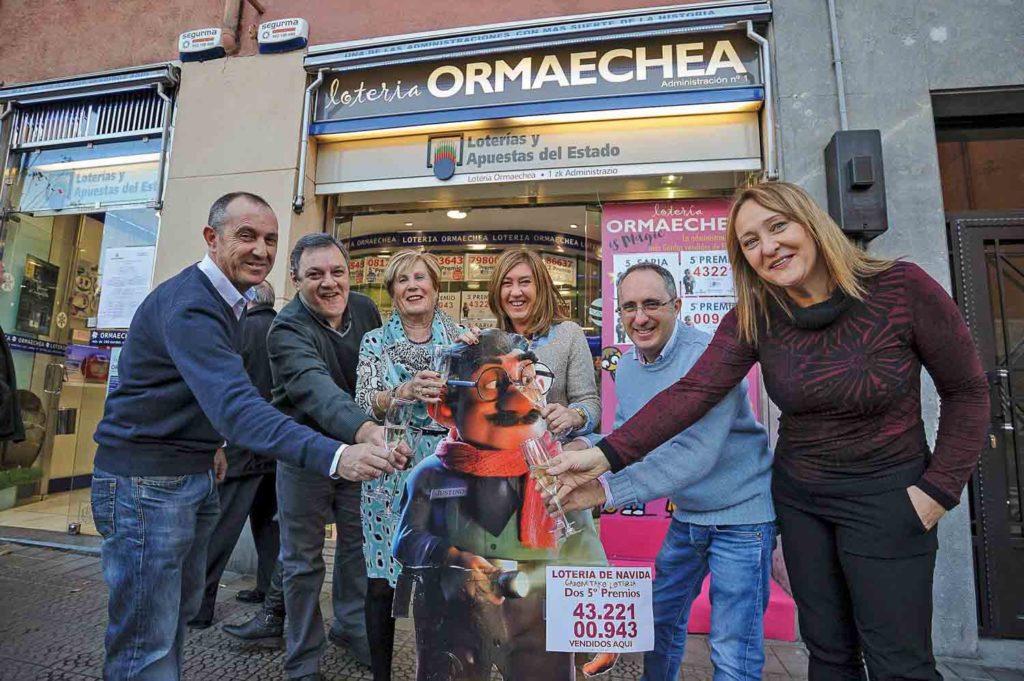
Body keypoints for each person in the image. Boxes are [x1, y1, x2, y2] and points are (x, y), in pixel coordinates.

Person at [550, 182, 990, 681]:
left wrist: (938, 490)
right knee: (828, 654)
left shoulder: (900, 287)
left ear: (810, 223)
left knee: (898, 662)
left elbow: (969, 392)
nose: (769, 247)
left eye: (778, 226)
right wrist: (604, 453)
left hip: (889, 496)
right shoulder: (755, 316)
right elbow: (692, 394)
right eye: (751, 242)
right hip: (802, 504)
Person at [90, 193, 400, 681]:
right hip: (147, 483)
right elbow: (242, 405)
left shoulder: (230, 303)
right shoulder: (196, 305)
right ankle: (301, 663)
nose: (261, 249)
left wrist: (210, 444)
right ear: (211, 238)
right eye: (246, 236)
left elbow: (195, 388)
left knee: (174, 614)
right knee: (146, 637)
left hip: (188, 473)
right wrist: (340, 452)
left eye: (270, 239)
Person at [564, 262, 775, 681]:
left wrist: (605, 492)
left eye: (651, 304)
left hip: (743, 518)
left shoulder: (709, 358)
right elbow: (630, 438)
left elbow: (695, 453)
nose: (639, 317)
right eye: (628, 307)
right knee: (660, 624)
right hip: (690, 516)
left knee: (733, 650)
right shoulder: (625, 366)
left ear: (677, 305)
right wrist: (583, 447)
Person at [391, 329, 610, 681]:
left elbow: (583, 547)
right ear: (448, 406)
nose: (521, 400)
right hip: (451, 618)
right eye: (493, 385)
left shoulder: (553, 473)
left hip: (539, 621)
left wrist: (601, 623)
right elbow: (406, 539)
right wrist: (453, 557)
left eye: (526, 379)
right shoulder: (431, 476)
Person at [269, 233, 388, 680]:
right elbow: (316, 390)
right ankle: (302, 659)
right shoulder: (285, 328)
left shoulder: (364, 309)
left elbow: (383, 368)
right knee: (301, 561)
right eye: (315, 274)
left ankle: (352, 626)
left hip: (361, 455)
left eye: (337, 272)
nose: (329, 283)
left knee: (358, 547)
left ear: (349, 273)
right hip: (306, 456)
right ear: (296, 278)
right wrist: (368, 431)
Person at [354, 250, 471, 681]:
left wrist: (454, 394)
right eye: (402, 280)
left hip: (447, 468)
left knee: (446, 579)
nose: (412, 286)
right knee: (381, 580)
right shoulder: (374, 342)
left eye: (420, 277)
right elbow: (364, 400)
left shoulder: (461, 340)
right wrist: (401, 390)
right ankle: (381, 675)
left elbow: (478, 405)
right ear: (392, 293)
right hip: (390, 465)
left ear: (437, 286)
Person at [188, 280, 280, 627]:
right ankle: (269, 595)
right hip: (278, 446)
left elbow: (221, 390)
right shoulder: (283, 330)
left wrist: (217, 442)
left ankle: (199, 606)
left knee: (220, 530)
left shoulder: (239, 331)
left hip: (243, 446)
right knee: (270, 527)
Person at [488, 249, 599, 440]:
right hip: (500, 460)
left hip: (553, 459)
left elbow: (589, 402)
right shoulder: (489, 343)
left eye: (525, 282)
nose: (515, 292)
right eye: (506, 284)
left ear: (541, 287)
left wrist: (574, 415)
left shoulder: (568, 334)